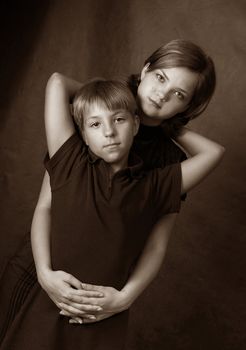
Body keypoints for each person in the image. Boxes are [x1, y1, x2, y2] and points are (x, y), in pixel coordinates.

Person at [0, 39, 222, 340]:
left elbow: (157, 242)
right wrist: (108, 103)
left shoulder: (170, 163)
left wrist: (127, 297)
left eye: (179, 94)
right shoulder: (97, 119)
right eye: (160, 77)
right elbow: (46, 204)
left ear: (188, 106)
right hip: (40, 268)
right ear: (145, 70)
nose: (161, 94)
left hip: (98, 292)